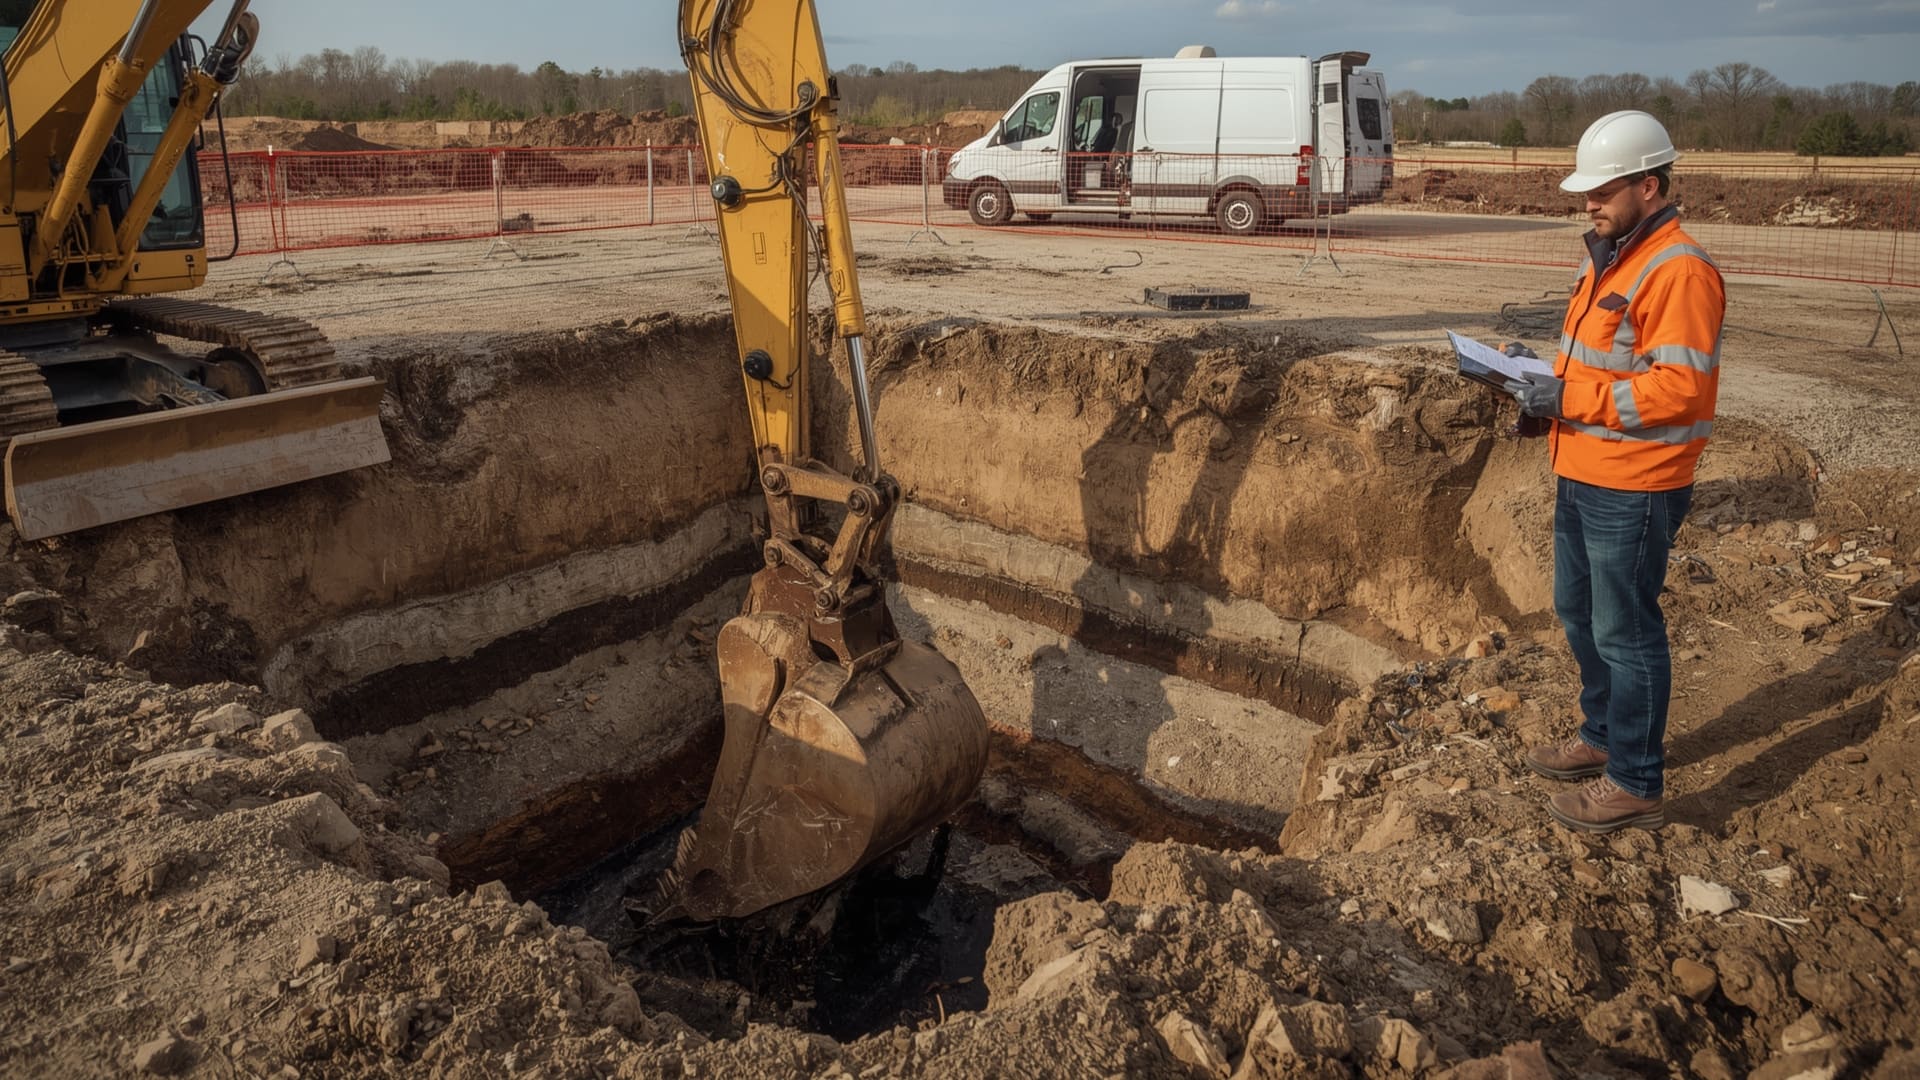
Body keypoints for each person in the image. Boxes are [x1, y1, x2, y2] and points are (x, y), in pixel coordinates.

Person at [1509, 110, 1726, 833]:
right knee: (1578, 613)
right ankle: (1602, 737)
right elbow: (1597, 363)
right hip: (1583, 462)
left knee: (1625, 630)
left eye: (1602, 191)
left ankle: (1634, 780)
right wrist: (1535, 380)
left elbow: (1677, 390)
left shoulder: (1679, 271)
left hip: (1636, 480)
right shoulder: (1609, 254)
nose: (1589, 204)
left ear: (1650, 186)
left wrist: (1568, 395)